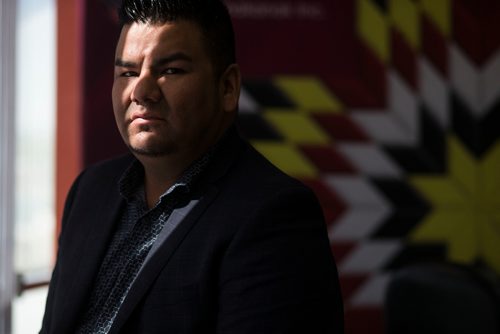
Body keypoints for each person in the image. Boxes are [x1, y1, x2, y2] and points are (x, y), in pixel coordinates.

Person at [40, 0, 344, 333]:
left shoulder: (273, 214)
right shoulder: (90, 191)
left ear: (227, 87)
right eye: (127, 72)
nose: (140, 91)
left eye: (170, 70)